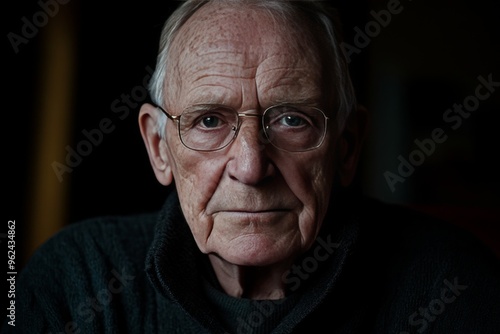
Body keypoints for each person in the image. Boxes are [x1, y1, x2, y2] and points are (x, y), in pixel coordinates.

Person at [5, 0, 500, 333]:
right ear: (159, 148)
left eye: (291, 119)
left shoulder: (449, 282)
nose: (250, 165)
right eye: (209, 121)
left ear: (347, 147)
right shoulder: (74, 280)